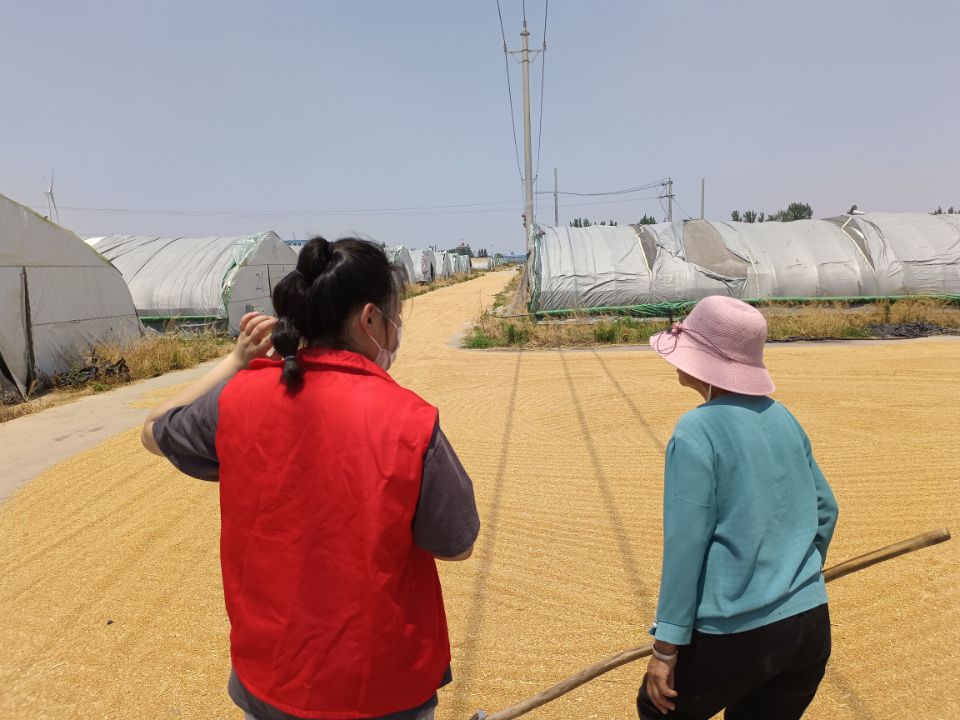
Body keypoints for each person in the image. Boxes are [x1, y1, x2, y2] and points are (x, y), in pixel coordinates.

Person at [141, 236, 480, 720]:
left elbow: (154, 429)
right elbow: (456, 544)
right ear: (369, 320)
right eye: (394, 319)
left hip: (269, 681)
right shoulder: (410, 421)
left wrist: (237, 361)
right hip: (380, 691)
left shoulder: (238, 401)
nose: (397, 331)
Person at [637, 295, 839, 720]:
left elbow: (685, 547)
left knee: (656, 709)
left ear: (704, 361)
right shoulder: (783, 416)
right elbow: (826, 510)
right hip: (809, 625)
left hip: (738, 634)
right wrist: (793, 576)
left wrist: (665, 647)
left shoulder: (696, 429)